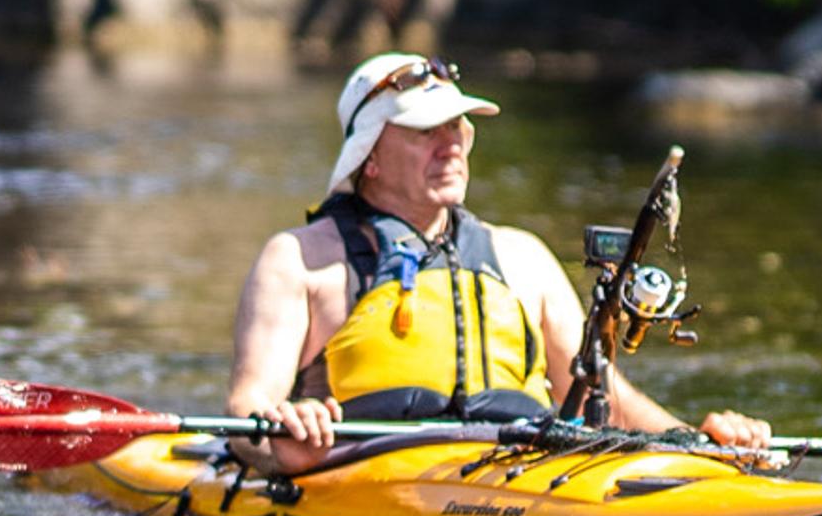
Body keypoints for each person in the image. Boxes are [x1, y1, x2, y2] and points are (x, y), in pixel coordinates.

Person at [224, 52, 773, 474]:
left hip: (523, 475)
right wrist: (281, 431)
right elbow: (246, 411)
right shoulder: (301, 260)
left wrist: (701, 446)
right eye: (425, 131)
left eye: (458, 128)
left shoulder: (522, 256)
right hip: (370, 474)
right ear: (369, 157)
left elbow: (610, 401)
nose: (452, 146)